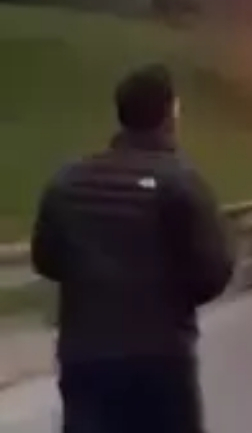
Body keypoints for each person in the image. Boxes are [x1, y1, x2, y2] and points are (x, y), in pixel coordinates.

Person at [31, 64, 235, 433]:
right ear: (170, 114)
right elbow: (213, 272)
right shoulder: (181, 182)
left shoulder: (68, 181)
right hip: (160, 356)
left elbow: (45, 259)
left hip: (85, 354)